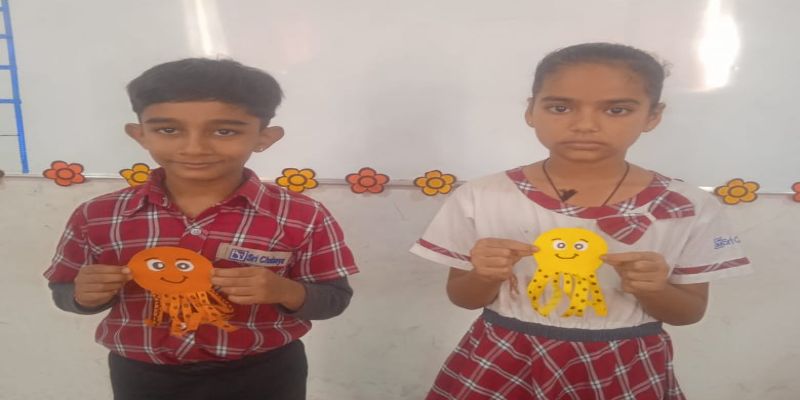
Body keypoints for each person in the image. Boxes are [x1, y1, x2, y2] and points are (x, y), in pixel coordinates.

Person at [410, 42, 751, 399]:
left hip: (623, 364)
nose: (585, 125)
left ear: (653, 116)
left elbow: (689, 313)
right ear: (531, 110)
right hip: (502, 358)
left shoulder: (687, 206)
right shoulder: (482, 196)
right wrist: (483, 275)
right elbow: (462, 297)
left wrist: (655, 289)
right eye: (560, 107)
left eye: (617, 110)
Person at [43, 58, 358, 400]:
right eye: (168, 130)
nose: (194, 148)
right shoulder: (97, 215)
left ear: (264, 138)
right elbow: (63, 291)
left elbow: (334, 299)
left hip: (264, 373)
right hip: (143, 378)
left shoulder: (302, 215)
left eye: (225, 131)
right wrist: (83, 296)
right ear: (140, 135)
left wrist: (285, 291)